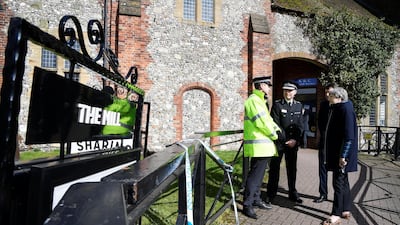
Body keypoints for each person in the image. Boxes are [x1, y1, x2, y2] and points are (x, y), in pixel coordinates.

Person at [242, 76, 283, 219]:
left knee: (258, 177)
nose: (269, 88)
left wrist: (278, 130)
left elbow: (268, 120)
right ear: (261, 86)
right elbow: (261, 122)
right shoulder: (253, 100)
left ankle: (256, 199)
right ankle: (247, 205)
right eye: (268, 85)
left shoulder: (259, 101)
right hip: (259, 146)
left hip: (263, 146)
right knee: (255, 177)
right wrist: (276, 135)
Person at [322, 87, 358, 225]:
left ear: (338, 97)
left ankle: (336, 214)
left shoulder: (345, 109)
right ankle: (346, 209)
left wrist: (343, 156)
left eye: (330, 95)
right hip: (339, 153)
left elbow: (349, 137)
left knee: (338, 183)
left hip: (341, 155)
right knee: (344, 182)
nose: (328, 97)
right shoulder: (339, 108)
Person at [266, 80, 304, 204]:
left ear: (295, 92)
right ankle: (271, 194)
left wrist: (295, 140)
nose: (287, 92)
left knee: (292, 169)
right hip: (279, 143)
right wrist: (285, 140)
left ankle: (293, 193)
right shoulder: (277, 105)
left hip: (293, 144)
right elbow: (275, 124)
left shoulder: (299, 105)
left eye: (290, 90)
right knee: (274, 168)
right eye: (285, 90)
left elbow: (301, 125)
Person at [314, 83, 337, 203]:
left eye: (330, 93)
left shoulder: (338, 105)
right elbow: (320, 122)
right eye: (326, 92)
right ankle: (323, 194)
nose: (327, 95)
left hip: (335, 145)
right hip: (324, 143)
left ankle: (337, 196)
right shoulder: (323, 105)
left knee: (336, 171)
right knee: (322, 169)